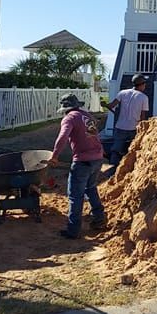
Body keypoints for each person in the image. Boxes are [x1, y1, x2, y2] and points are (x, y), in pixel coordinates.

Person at [50, 94, 105, 239]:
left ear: (65, 108)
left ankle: (73, 230)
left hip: (83, 160)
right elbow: (93, 136)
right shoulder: (87, 116)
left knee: (75, 194)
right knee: (91, 188)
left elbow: (62, 136)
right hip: (98, 158)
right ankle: (99, 218)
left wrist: (55, 156)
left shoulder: (69, 118)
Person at [104, 73, 150, 172]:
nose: (145, 86)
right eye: (145, 84)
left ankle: (111, 172)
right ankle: (131, 171)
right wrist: (143, 130)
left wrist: (106, 105)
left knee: (116, 150)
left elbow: (111, 105)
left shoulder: (122, 93)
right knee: (133, 150)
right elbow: (143, 117)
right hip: (133, 129)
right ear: (141, 84)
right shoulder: (143, 98)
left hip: (120, 127)